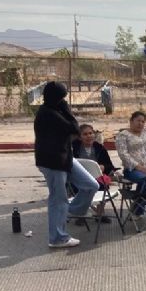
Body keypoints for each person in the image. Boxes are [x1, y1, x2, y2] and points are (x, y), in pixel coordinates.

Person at [33, 81, 99, 248]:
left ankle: (71, 211)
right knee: (58, 199)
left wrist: (63, 108)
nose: (64, 100)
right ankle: (57, 238)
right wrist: (67, 109)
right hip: (52, 162)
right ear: (55, 98)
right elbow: (74, 128)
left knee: (91, 185)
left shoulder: (55, 109)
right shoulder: (48, 113)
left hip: (65, 158)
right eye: (62, 97)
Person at [116, 111, 146, 215]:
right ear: (131, 121)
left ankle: (138, 203)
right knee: (144, 180)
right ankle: (138, 209)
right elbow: (123, 154)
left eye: (143, 121)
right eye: (138, 121)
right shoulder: (123, 135)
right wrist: (139, 167)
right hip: (133, 169)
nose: (140, 123)